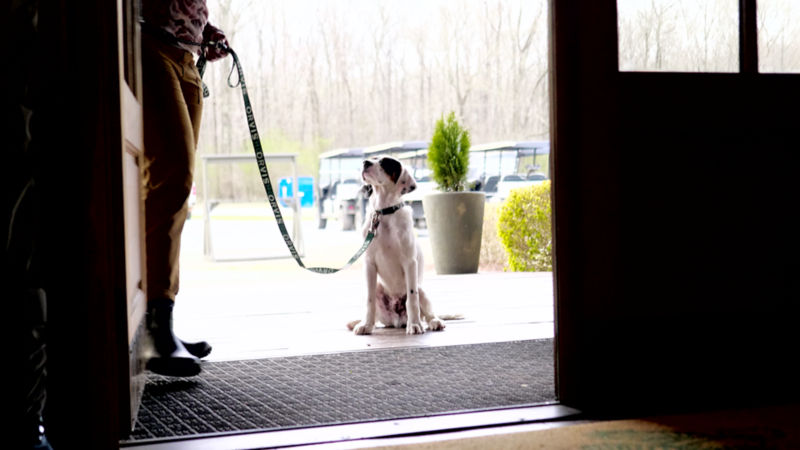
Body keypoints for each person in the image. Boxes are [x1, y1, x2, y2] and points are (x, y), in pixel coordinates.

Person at [140, 0, 229, 377]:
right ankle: (156, 328)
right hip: (150, 46)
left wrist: (204, 31)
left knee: (178, 193)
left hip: (187, 57)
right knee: (173, 179)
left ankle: (163, 321)